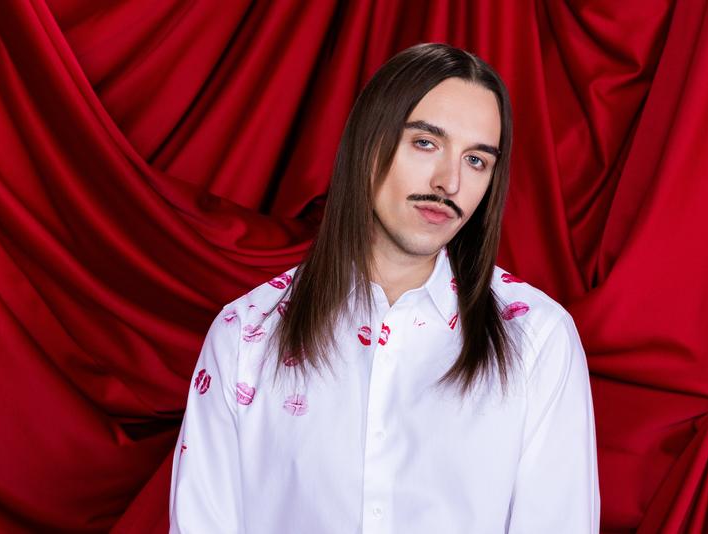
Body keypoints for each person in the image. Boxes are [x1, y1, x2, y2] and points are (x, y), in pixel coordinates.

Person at [169, 42, 600, 533]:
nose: (449, 182)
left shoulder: (537, 341)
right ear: (368, 142)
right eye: (425, 143)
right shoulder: (247, 333)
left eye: (477, 160)